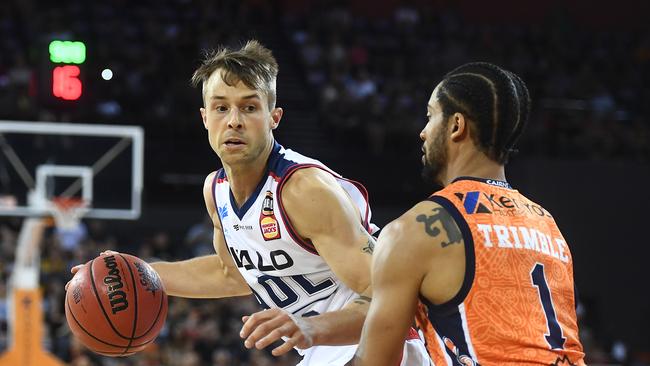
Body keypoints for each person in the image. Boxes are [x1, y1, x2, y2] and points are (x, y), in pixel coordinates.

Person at [67, 40, 428, 366]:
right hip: (326, 349)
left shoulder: (303, 190)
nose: (234, 121)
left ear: (274, 118)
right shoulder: (216, 190)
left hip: (383, 348)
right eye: (221, 108)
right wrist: (134, 275)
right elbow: (233, 273)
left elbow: (392, 298)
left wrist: (309, 326)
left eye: (249, 107)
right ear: (204, 118)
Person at [350, 62, 585, 365]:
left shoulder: (414, 230)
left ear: (456, 125)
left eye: (430, 116)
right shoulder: (546, 224)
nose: (422, 132)